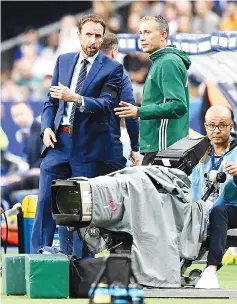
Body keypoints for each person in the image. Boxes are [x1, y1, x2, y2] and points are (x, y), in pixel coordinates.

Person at [30, 14, 124, 255]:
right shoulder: (63, 60)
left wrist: (77, 98)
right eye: (89, 34)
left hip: (88, 148)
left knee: (81, 209)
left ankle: (81, 266)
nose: (93, 40)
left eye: (98, 36)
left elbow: (106, 105)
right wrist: (47, 128)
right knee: (44, 202)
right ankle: (37, 259)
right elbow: (50, 101)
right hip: (58, 142)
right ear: (79, 35)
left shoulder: (113, 68)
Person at [114, 15, 191, 165]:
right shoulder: (160, 61)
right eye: (140, 33)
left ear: (164, 35)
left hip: (164, 147)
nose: (142, 38)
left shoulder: (168, 62)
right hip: (160, 146)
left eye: (147, 32)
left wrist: (139, 111)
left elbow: (178, 106)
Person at [192, 105, 237, 289]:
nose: (216, 130)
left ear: (231, 126)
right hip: (200, 207)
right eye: (211, 126)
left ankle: (210, 270)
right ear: (205, 126)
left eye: (221, 125)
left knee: (219, 212)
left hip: (231, 207)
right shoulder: (197, 150)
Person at [100, 32, 140, 166]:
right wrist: (135, 147)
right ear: (114, 51)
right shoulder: (120, 74)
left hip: (80, 148)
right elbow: (129, 112)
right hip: (109, 147)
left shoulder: (81, 71)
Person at [1, 102, 42, 208]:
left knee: (7, 189)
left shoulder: (40, 129)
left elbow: (43, 158)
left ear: (31, 112)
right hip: (27, 173)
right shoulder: (24, 133)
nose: (18, 118)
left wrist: (21, 176)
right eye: (15, 116)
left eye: (21, 114)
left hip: (37, 175)